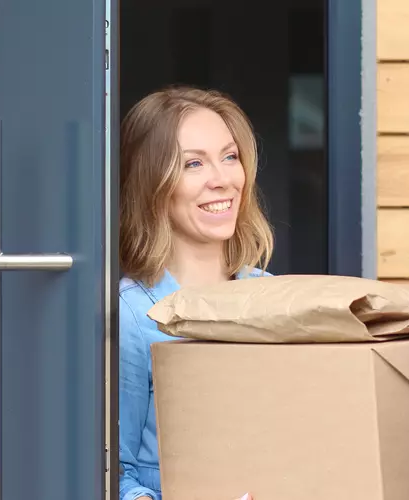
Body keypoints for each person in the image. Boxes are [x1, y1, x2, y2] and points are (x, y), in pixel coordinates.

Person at [117, 86, 273, 500]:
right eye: (193, 164)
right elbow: (114, 475)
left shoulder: (273, 295)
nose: (222, 180)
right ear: (153, 184)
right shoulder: (132, 315)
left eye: (229, 156)